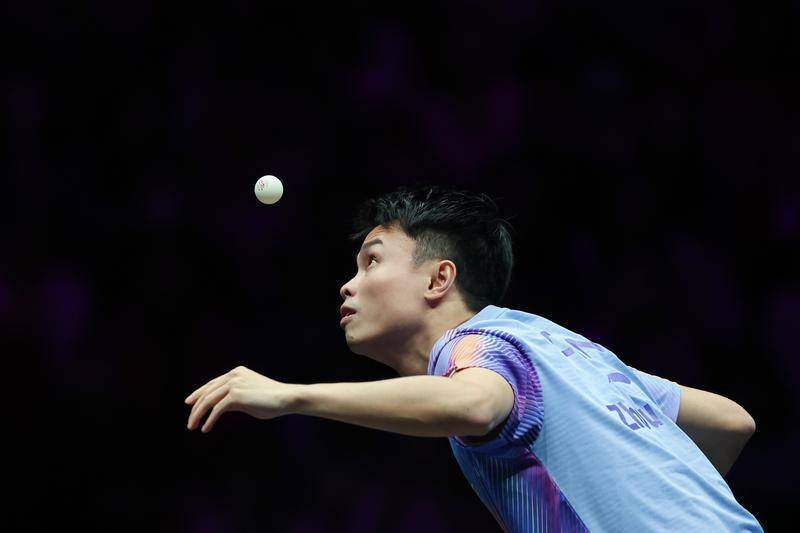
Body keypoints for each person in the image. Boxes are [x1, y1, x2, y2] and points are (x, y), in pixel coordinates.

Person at [185, 184, 763, 532]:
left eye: (372, 261)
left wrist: (291, 396)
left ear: (439, 279)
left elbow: (475, 404)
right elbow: (731, 421)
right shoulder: (572, 352)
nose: (348, 284)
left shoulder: (476, 344)